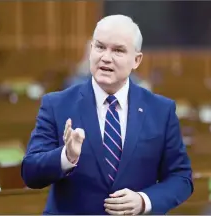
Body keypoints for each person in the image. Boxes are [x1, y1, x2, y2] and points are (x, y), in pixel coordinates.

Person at [21, 14, 193, 215]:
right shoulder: (57, 104)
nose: (106, 57)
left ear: (136, 60)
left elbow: (181, 177)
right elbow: (30, 173)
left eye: (118, 50)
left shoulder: (161, 110)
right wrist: (65, 156)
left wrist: (144, 201)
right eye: (100, 47)